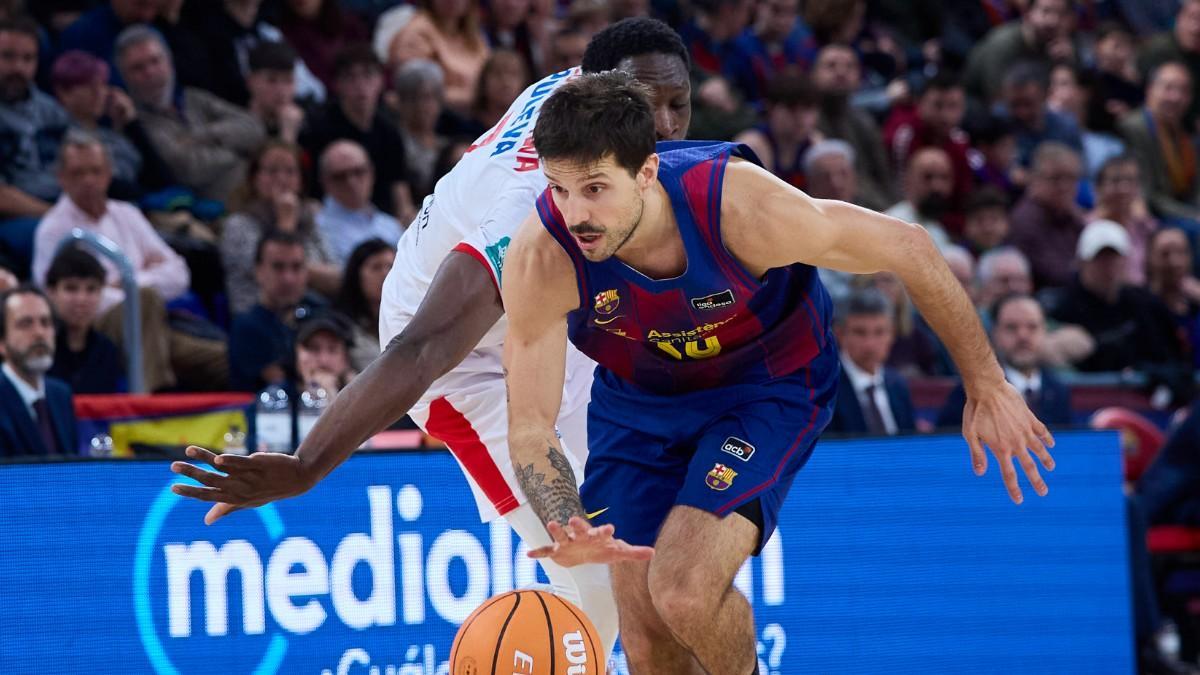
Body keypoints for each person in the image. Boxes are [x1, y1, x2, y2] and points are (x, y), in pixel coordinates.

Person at [168, 19, 696, 661]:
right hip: (457, 354)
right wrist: (308, 467)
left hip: (547, 310)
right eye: (650, 106)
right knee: (599, 581)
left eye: (680, 105)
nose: (667, 128)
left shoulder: (598, 100)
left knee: (647, 548)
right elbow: (421, 351)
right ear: (598, 94)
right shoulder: (533, 207)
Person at [499, 71, 1054, 674]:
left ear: (647, 173)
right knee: (646, 627)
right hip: (638, 402)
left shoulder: (739, 206)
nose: (575, 213)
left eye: (594, 188)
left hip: (767, 384)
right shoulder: (540, 257)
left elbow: (909, 246)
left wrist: (986, 382)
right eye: (559, 189)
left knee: (682, 588)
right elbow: (529, 425)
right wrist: (567, 518)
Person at [34, 129, 228, 392]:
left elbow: (180, 274)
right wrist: (137, 284)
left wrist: (122, 282)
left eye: (96, 171)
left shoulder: (127, 214)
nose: (89, 180)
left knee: (228, 358)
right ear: (62, 178)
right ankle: (149, 404)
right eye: (79, 173)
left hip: (152, 328)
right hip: (95, 330)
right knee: (144, 299)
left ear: (109, 173)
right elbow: (53, 298)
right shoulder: (53, 229)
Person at [115, 24, 266, 203]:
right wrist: (242, 152)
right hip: (218, 209)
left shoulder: (195, 98)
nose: (150, 72)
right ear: (124, 77)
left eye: (155, 61)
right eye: (138, 68)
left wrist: (204, 136)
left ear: (169, 63)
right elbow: (190, 169)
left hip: (260, 195)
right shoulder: (137, 123)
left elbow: (256, 129)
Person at [1043, 219, 1187, 373]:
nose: (1108, 267)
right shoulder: (1061, 307)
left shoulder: (1144, 304)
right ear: (1082, 262)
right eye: (1100, 259)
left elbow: (1172, 356)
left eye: (1114, 258)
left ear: (1125, 261)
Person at [220, 141, 338, 314]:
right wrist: (286, 222)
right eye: (272, 171)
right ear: (255, 178)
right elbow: (278, 277)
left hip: (314, 315)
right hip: (261, 318)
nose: (282, 180)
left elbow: (336, 276)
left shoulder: (308, 220)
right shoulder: (238, 225)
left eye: (290, 171)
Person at [0, 16, 70, 277]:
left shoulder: (50, 110)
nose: (18, 67)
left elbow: (82, 164)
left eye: (27, 59)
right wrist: (59, 215)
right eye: (7, 57)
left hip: (61, 207)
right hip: (16, 219)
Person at [937, 294, 1072, 429]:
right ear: (995, 333)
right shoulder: (971, 392)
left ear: (1044, 331)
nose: (1023, 336)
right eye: (1011, 327)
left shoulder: (1058, 391)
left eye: (1032, 327)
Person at [228, 230, 326, 392]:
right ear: (258, 271)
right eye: (278, 267)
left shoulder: (321, 313)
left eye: (296, 267)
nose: (288, 278)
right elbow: (281, 387)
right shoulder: (247, 328)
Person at [1117, 61, 1200, 224]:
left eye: (1183, 91)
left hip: (1185, 210)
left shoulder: (1184, 132)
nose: (1176, 97)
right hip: (1155, 215)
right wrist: (1192, 216)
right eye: (1169, 88)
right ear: (1150, 90)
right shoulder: (1135, 128)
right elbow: (1148, 194)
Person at [0, 286, 78, 457]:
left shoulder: (61, 394)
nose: (39, 333)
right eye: (25, 324)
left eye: (45, 322)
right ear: (2, 343)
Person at [828, 289, 916, 435]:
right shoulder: (825, 389)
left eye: (880, 332)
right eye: (859, 332)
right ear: (840, 334)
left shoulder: (898, 385)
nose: (870, 344)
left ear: (892, 334)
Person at [43, 246, 125, 394]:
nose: (81, 299)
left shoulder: (107, 351)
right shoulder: (38, 347)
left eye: (91, 289)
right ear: (51, 292)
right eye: (71, 288)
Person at [1008, 142, 1087, 289]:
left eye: (1070, 178)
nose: (1064, 186)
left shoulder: (1073, 215)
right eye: (1056, 178)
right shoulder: (1025, 219)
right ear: (1035, 179)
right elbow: (1053, 274)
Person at [315, 140, 405, 267]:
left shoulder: (391, 226)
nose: (351, 182)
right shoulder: (317, 226)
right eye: (340, 176)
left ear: (371, 173)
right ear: (325, 181)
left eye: (358, 172)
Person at [335, 238, 394, 372]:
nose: (386, 274)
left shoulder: (409, 318)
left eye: (391, 267)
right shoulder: (339, 325)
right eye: (376, 267)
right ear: (356, 275)